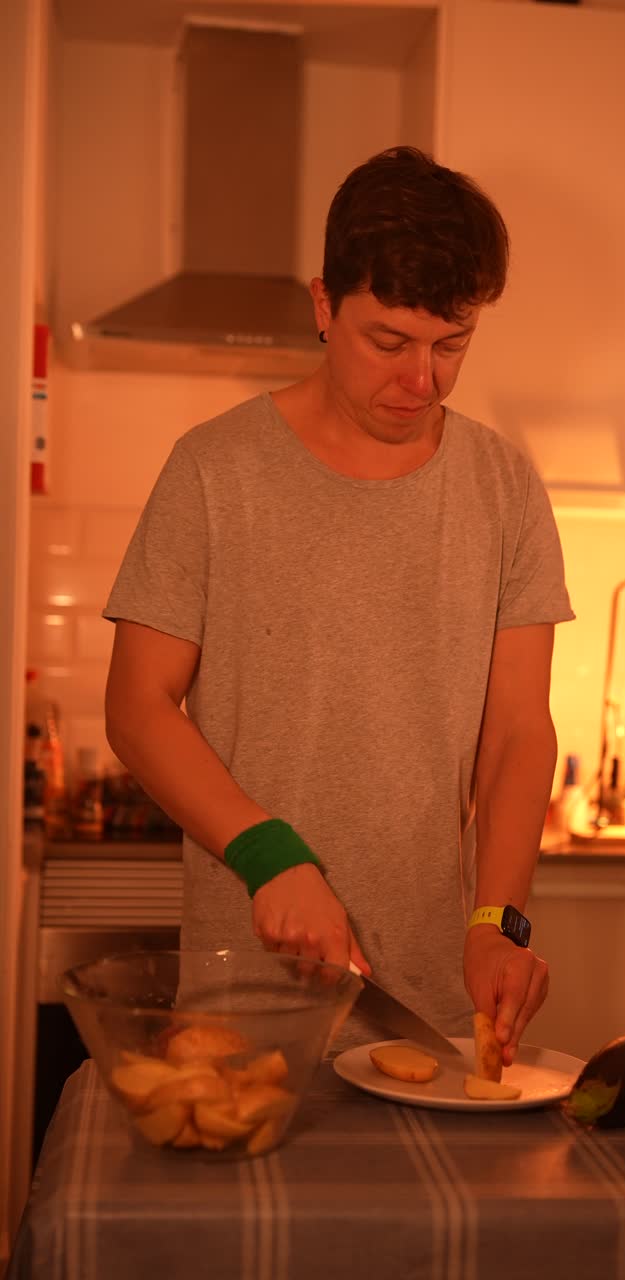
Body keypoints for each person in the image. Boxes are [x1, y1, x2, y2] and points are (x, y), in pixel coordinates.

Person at [103, 146, 574, 1061]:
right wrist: (267, 853)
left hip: (432, 1009)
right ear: (324, 306)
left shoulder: (504, 486)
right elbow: (137, 706)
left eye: (452, 345)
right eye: (389, 342)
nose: (423, 382)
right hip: (244, 1005)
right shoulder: (214, 470)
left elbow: (519, 731)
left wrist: (499, 922)